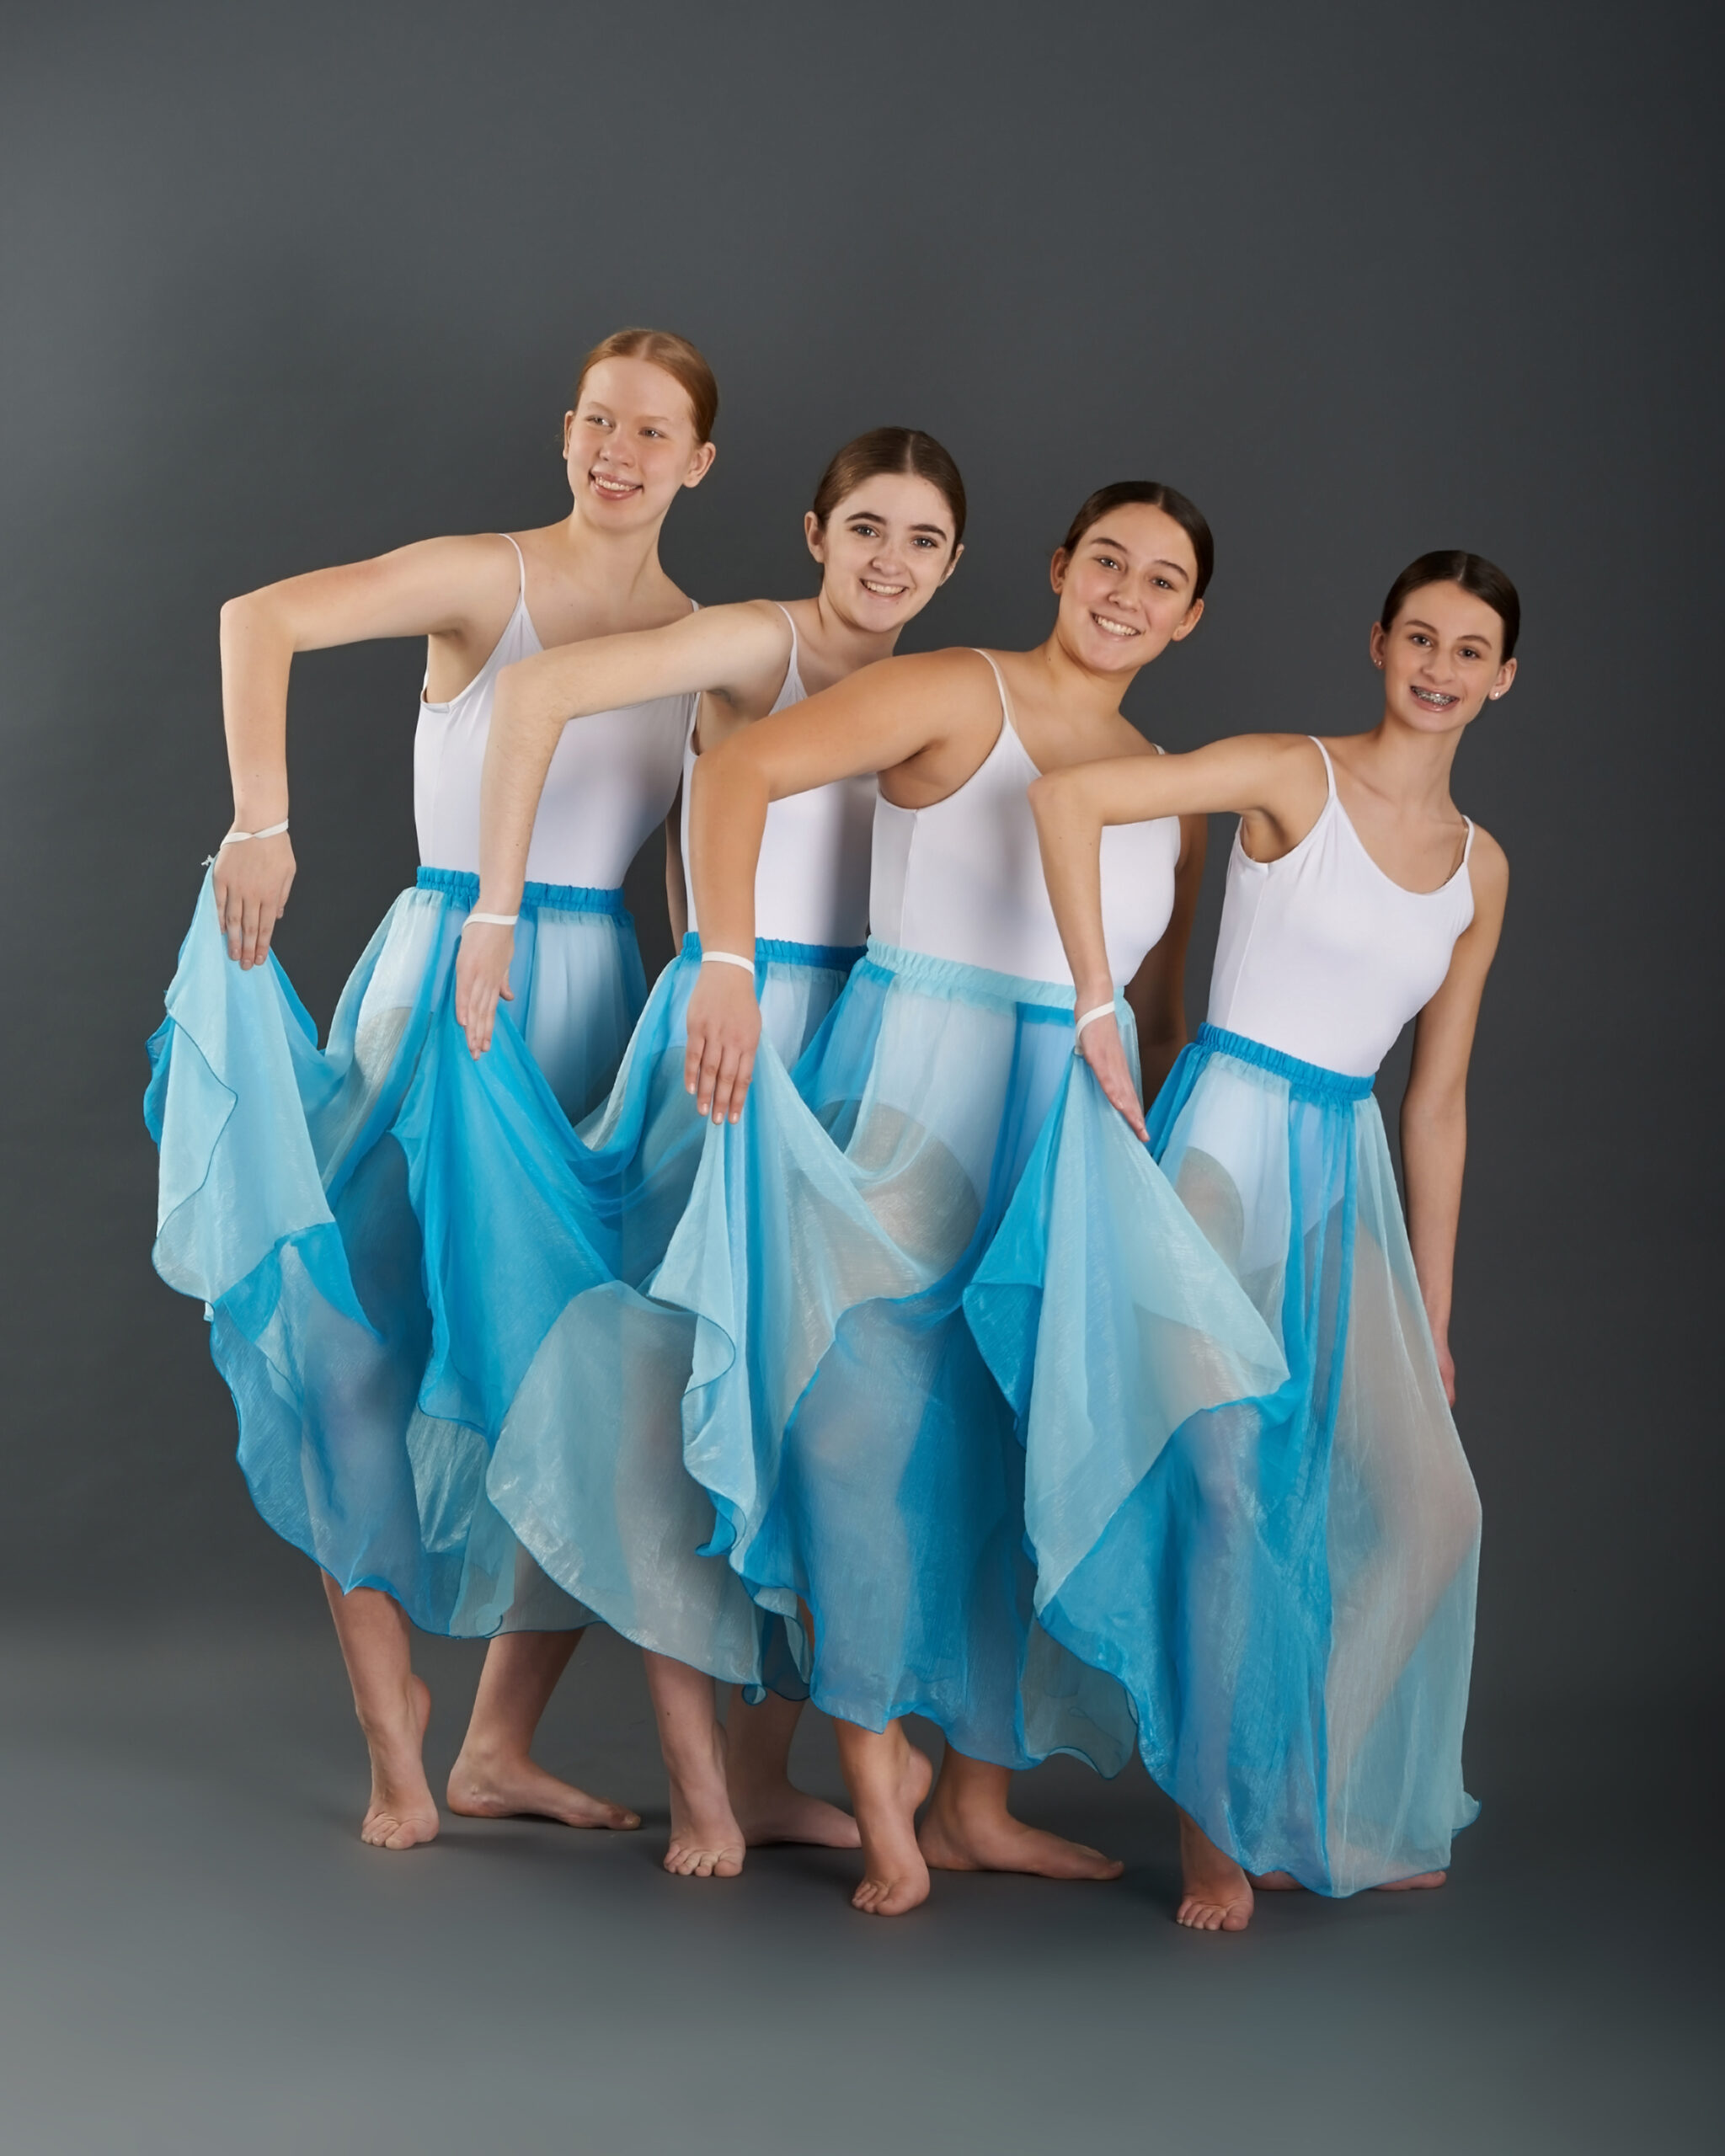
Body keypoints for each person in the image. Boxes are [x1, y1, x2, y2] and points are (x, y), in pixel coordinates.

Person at [668, 483, 1284, 1913]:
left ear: (1191, 619)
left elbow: (1158, 1000)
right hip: (910, 1089)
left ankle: (977, 1804)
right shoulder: (960, 690)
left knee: (1015, 1442)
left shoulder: (1157, 779)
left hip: (1060, 1126)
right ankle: (879, 1785)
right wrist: (727, 963)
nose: (1126, 593)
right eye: (1107, 560)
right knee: (854, 1426)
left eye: (1163, 580)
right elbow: (742, 772)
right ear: (1062, 567)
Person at [146, 328, 717, 1850]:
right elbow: (257, 617)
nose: (618, 450)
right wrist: (260, 817)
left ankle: (495, 1746)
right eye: (598, 420)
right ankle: (390, 1723)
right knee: (355, 1346)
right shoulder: (489, 577)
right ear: (568, 431)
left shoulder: (700, 642)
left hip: (594, 1001)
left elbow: (702, 863)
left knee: (588, 1378)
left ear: (698, 462)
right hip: (447, 974)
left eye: (651, 432)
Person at [448, 427, 968, 1876]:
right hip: (736, 1040)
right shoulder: (754, 642)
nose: (889, 563)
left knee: (814, 1409)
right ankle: (697, 1783)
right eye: (866, 528)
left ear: (955, 564)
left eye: (922, 542)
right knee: (673, 1388)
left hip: (853, 1050)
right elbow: (541, 690)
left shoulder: (932, 687)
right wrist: (499, 910)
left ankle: (751, 1760)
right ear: (815, 530)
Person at [1017, 549, 1514, 1929]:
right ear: (1378, 642)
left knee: (1429, 1510)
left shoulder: (1481, 870)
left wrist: (1435, 1315)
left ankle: (1302, 1796)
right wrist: (1096, 1004)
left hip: (1342, 1168)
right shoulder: (1293, 773)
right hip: (1226, 1147)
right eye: (1420, 638)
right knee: (1231, 1491)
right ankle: (1216, 1831)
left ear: (1503, 677)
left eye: (1469, 650)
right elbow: (1070, 796)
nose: (1439, 668)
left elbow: (1441, 1106)